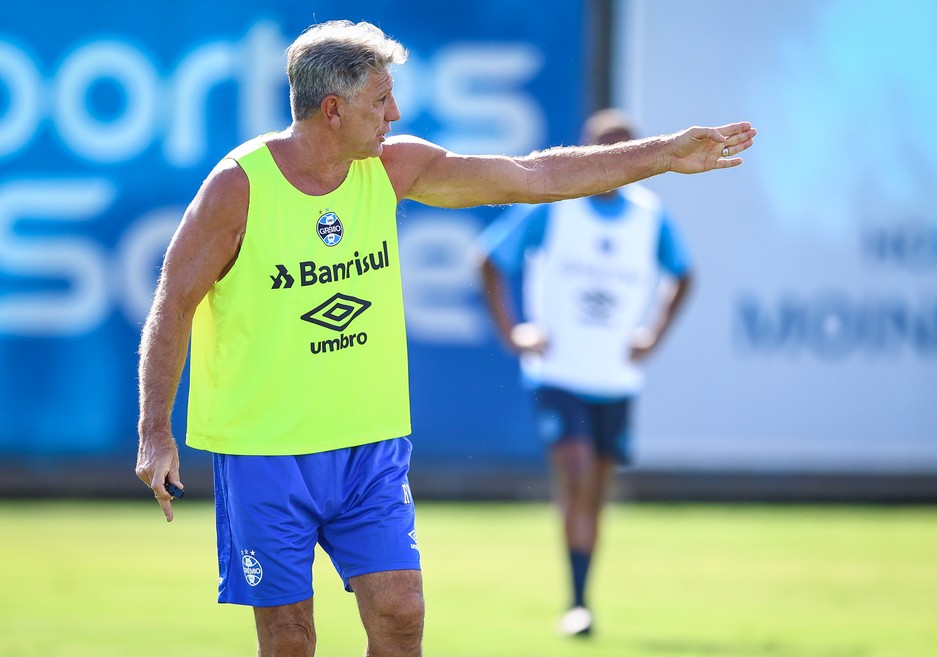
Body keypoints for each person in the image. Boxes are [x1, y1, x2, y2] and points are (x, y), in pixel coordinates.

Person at [134, 19, 755, 657]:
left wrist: (663, 156)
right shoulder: (238, 188)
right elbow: (173, 303)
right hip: (264, 452)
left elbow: (532, 177)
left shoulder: (393, 168)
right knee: (290, 639)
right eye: (381, 101)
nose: (395, 114)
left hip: (367, 448)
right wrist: (155, 430)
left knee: (402, 616)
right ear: (333, 110)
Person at [475, 108, 695, 638]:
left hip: (615, 378)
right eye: (604, 148)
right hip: (559, 373)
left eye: (624, 148)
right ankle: (577, 605)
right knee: (574, 473)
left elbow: (683, 276)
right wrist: (516, 333)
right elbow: (489, 260)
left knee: (595, 488)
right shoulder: (555, 207)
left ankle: (581, 593)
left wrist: (653, 335)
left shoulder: (650, 215)